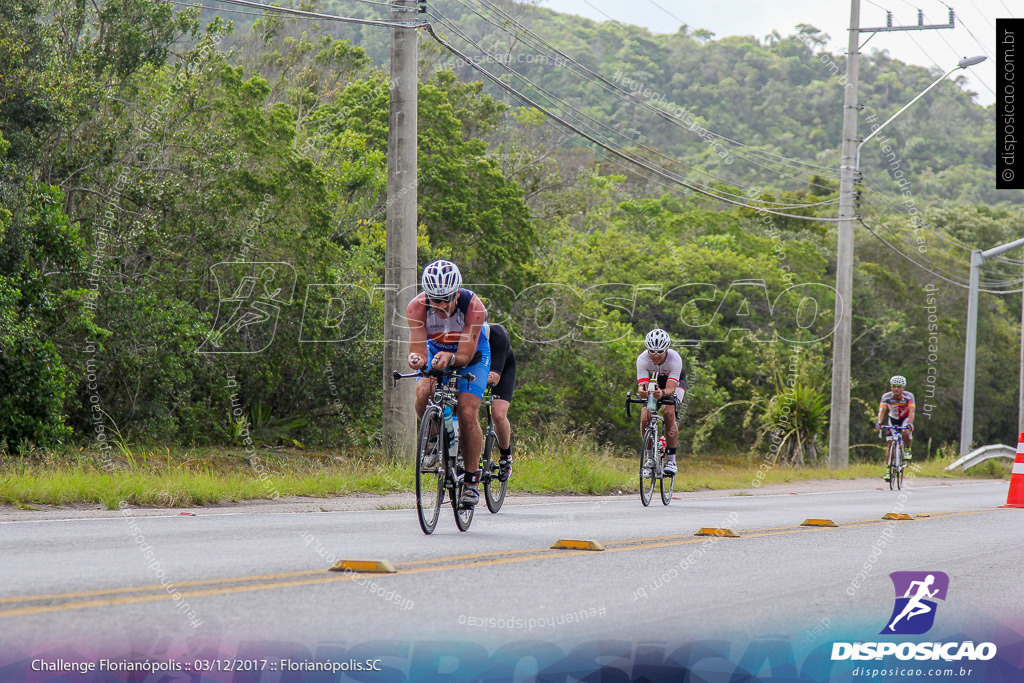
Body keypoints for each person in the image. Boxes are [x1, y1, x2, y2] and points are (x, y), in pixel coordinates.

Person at [407, 260, 491, 508]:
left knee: (466, 411)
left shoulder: (474, 307)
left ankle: (472, 482)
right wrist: (416, 360)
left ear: (457, 293)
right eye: (435, 300)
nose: (441, 305)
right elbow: (418, 351)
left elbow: (464, 355)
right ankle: (433, 439)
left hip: (472, 356)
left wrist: (451, 359)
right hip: (437, 350)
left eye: (445, 299)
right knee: (423, 390)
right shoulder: (416, 308)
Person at [635, 328, 686, 476]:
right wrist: (642, 391)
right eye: (652, 351)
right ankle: (650, 458)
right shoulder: (642, 359)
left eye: (660, 351)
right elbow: (642, 385)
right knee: (645, 416)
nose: (655, 355)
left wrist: (662, 393)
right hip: (653, 382)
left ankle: (671, 460)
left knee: (668, 412)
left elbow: (670, 389)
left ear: (667, 349)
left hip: (673, 384)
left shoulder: (675, 358)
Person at [484, 322, 516, 482]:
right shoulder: (462, 334)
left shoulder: (497, 334)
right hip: (477, 369)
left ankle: (506, 456)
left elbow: (494, 377)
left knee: (498, 414)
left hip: (500, 370)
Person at [876, 374, 915, 481]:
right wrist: (879, 422)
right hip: (892, 419)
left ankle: (907, 448)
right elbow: (882, 410)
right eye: (894, 386)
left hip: (904, 419)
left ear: (903, 388)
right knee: (889, 445)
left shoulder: (909, 396)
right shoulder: (886, 396)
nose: (896, 389)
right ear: (891, 387)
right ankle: (888, 470)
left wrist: (910, 424)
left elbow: (911, 411)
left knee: (906, 432)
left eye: (899, 386)